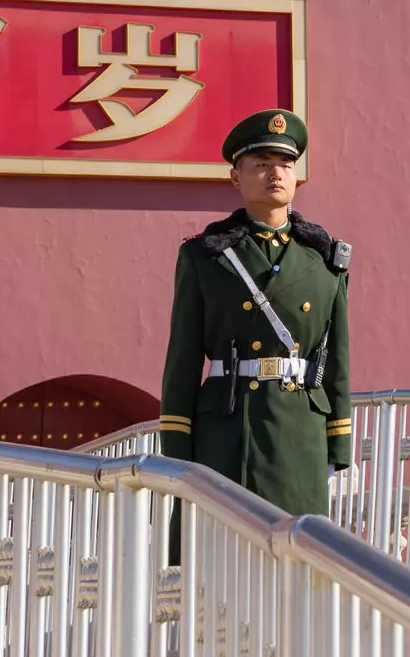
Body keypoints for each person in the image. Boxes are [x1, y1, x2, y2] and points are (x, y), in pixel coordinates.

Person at [159, 109, 351, 517]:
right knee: (219, 550)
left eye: (285, 164)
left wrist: (339, 443)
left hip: (299, 430)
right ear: (236, 177)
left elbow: (335, 359)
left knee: (296, 554)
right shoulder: (205, 257)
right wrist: (177, 444)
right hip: (227, 428)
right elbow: (183, 357)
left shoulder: (323, 261)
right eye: (262, 164)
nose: (276, 174)